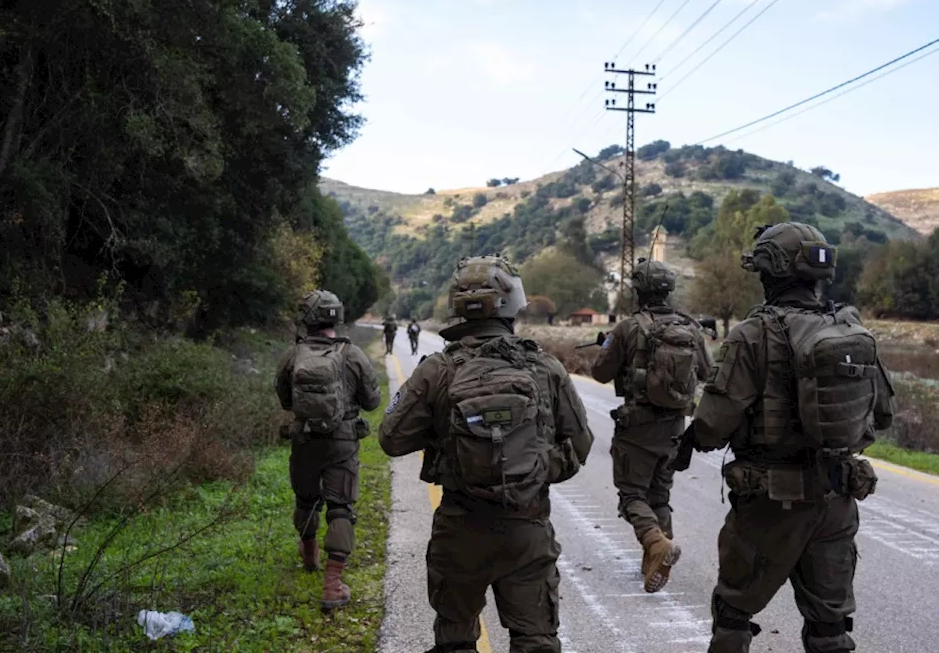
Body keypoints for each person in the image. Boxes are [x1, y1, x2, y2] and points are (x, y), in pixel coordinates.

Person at [672, 222, 896, 653]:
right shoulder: (849, 330)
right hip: (837, 500)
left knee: (734, 615)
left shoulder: (753, 334)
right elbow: (882, 414)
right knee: (830, 628)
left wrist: (690, 439)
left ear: (768, 272)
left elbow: (712, 426)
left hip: (770, 506)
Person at [380, 255, 594, 653]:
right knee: (536, 641)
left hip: (460, 528)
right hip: (527, 530)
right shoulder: (545, 367)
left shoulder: (436, 371)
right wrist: (536, 468)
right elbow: (582, 445)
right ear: (513, 301)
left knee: (456, 639)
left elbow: (391, 439)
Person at [591, 258, 710, 593]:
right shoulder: (691, 329)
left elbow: (600, 373)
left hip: (637, 427)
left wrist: (608, 345)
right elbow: (708, 373)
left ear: (638, 290)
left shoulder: (628, 328)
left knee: (632, 494)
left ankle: (656, 544)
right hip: (674, 425)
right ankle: (655, 556)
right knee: (659, 494)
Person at [275, 290, 381, 612]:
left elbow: (285, 400)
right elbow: (373, 401)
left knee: (306, 499)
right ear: (338, 317)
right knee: (340, 508)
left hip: (304, 440)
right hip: (343, 442)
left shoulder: (292, 356)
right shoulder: (353, 355)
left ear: (306, 319)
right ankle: (333, 586)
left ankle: (309, 555)